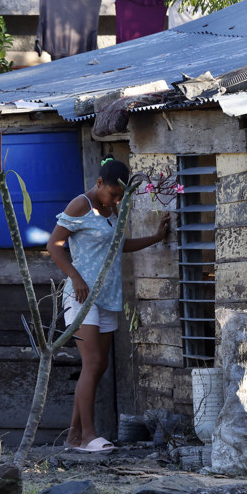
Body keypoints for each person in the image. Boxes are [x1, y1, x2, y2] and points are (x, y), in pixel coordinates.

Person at [46, 158, 170, 453]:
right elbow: (54, 245)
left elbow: (118, 246)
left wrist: (155, 238)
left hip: (108, 296)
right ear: (100, 183)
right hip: (81, 296)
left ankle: (74, 437)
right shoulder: (81, 205)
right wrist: (75, 277)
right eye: (113, 194)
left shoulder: (112, 209)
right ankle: (88, 436)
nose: (116, 201)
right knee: (92, 363)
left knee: (99, 365)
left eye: (121, 197)